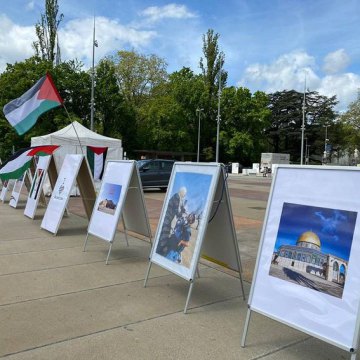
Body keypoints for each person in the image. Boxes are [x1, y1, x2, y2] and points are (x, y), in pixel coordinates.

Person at [156, 187, 187, 256]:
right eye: (184, 194)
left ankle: (160, 250)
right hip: (167, 219)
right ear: (182, 192)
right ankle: (159, 251)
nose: (184, 195)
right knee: (165, 234)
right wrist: (182, 214)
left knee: (166, 234)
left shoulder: (178, 198)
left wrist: (183, 210)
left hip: (169, 218)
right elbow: (176, 210)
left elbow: (180, 207)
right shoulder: (176, 197)